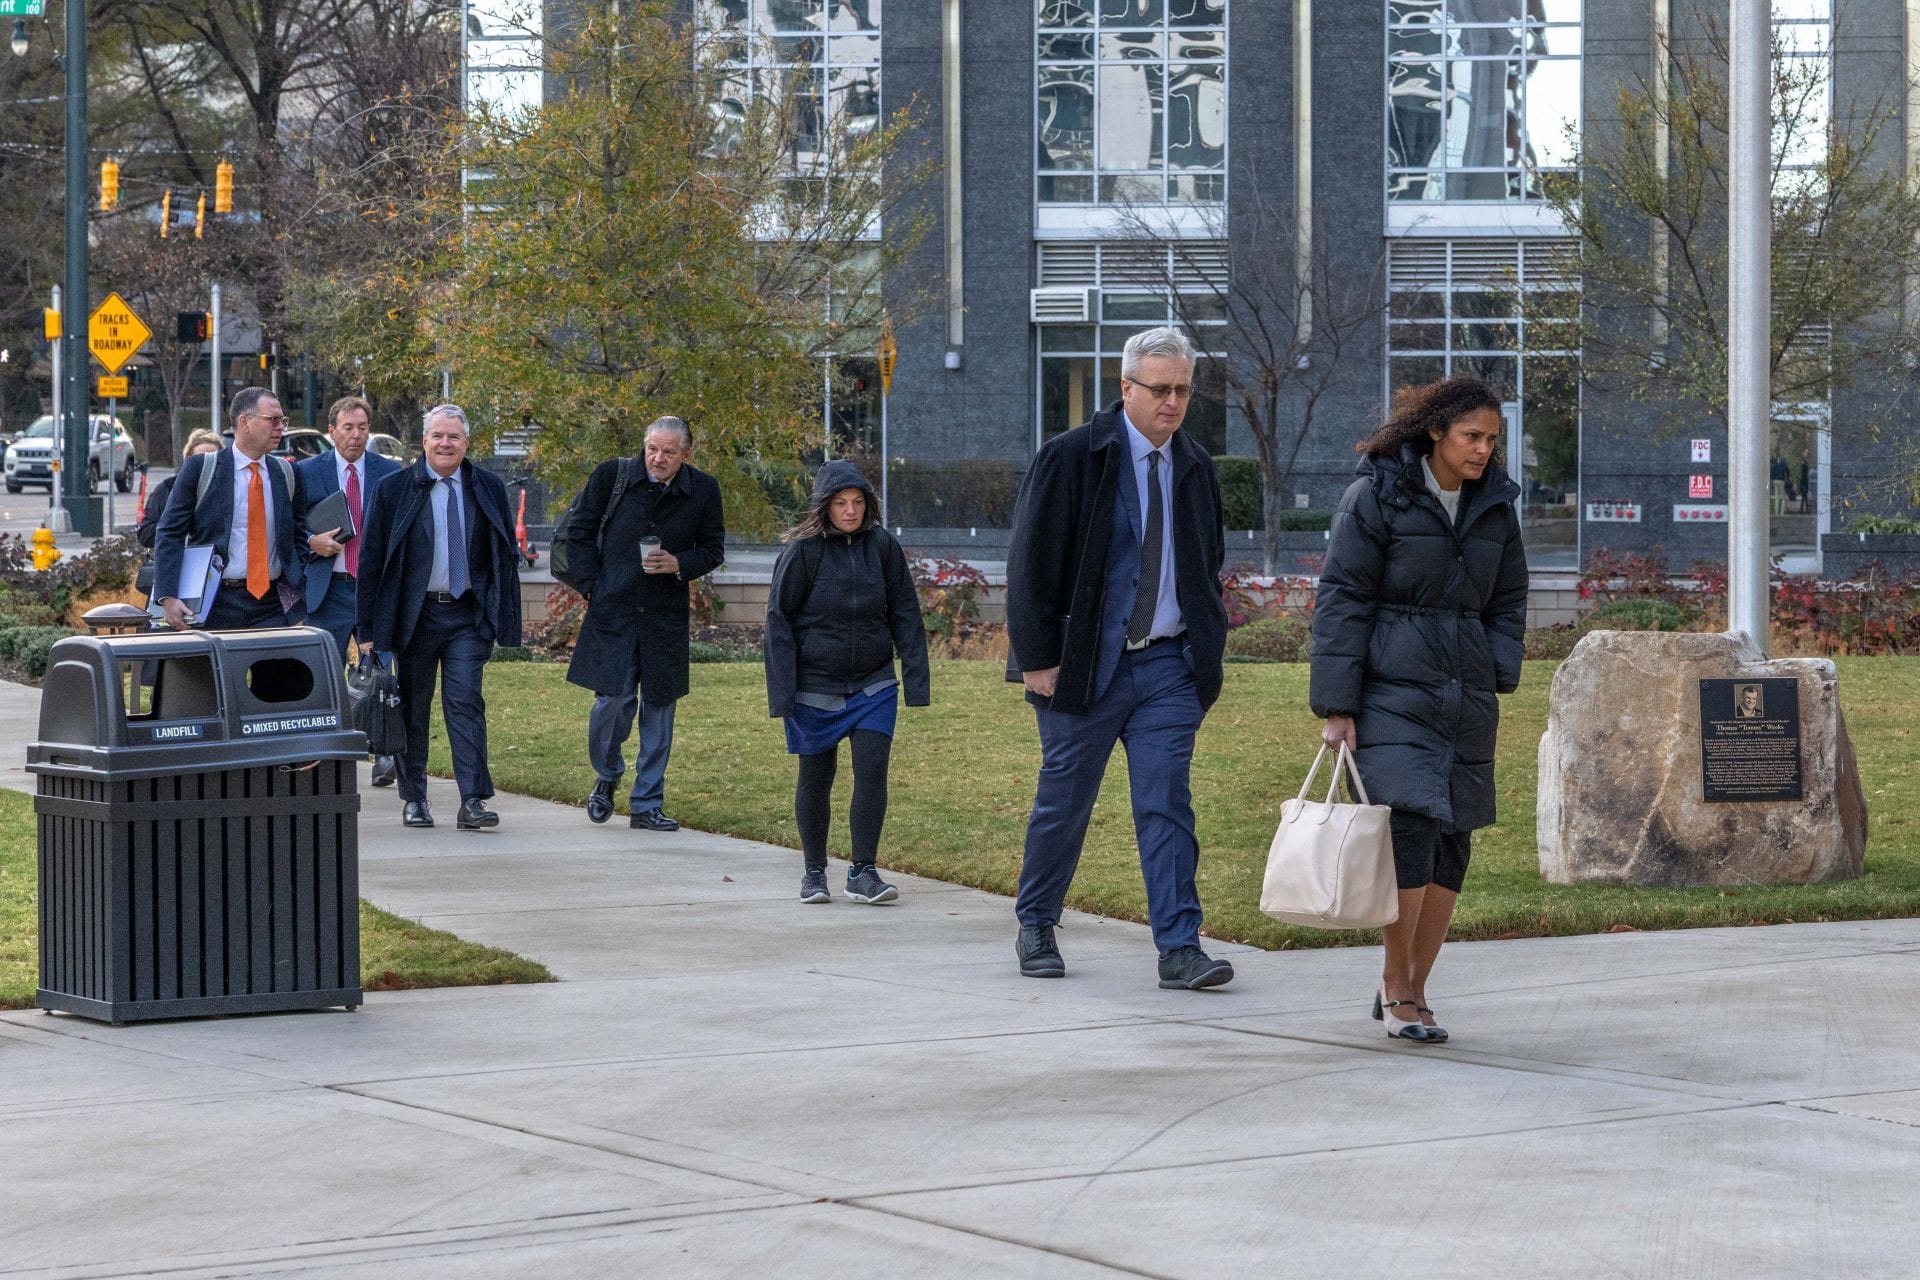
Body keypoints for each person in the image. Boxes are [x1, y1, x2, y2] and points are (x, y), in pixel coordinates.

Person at [1004, 326, 1234, 991]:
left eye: (1182, 390)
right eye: (1159, 389)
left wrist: (1202, 653)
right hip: (1081, 665)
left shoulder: (1194, 466)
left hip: (1168, 669)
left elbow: (1205, 561)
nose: (1172, 402)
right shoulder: (1072, 458)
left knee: (1166, 804)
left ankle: (1180, 948)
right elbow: (1029, 566)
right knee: (1065, 800)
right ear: (1125, 387)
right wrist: (1038, 658)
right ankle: (1037, 921)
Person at [1310, 374, 1527, 1045]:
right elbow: (1342, 597)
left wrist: (1493, 668)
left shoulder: (1495, 506)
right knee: (1408, 830)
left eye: (1493, 438)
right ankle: (1395, 984)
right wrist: (1337, 705)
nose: (1484, 450)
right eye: (1471, 436)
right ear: (1436, 430)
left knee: (1453, 840)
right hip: (1391, 694)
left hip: (1465, 698)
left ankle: (1419, 986)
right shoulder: (1376, 496)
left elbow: (1510, 600)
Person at [764, 460, 930, 904]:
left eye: (858, 502)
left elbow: (905, 614)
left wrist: (916, 681)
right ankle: (814, 872)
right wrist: (782, 693)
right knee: (816, 778)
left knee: (872, 773)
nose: (851, 511)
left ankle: (863, 870)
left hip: (874, 685)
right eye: (841, 503)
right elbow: (778, 622)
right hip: (813, 687)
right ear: (825, 507)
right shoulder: (802, 552)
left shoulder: (882, 547)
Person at [355, 404, 523, 831]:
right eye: (437, 436)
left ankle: (473, 800)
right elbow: (371, 562)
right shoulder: (395, 490)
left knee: (465, 703)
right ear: (424, 441)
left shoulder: (486, 486)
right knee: (412, 708)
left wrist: (501, 615)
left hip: (468, 615)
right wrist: (369, 630)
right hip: (416, 618)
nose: (445, 444)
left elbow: (503, 556)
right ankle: (415, 799)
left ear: (467, 444)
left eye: (454, 437)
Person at [558, 416, 726, 832]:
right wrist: (593, 586)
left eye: (669, 452)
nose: (658, 458)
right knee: (610, 703)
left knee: (660, 709)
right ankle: (608, 772)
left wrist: (679, 563)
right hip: (612, 611)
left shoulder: (704, 490)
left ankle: (648, 803)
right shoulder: (612, 476)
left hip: (664, 616)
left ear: (686, 455)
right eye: (652, 448)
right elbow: (577, 533)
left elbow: (713, 548)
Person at [300, 395, 405, 787]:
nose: (356, 436)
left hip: (374, 590)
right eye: (348, 428)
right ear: (332, 432)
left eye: (362, 428)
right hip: (329, 588)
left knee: (381, 671)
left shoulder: (388, 472)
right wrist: (312, 542)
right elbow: (293, 527)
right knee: (322, 672)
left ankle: (385, 754)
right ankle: (320, 753)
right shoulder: (308, 473)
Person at [154, 388, 308, 632]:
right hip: (216, 601)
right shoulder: (201, 469)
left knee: (283, 670)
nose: (281, 427)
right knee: (216, 671)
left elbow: (298, 534)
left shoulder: (288, 473)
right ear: (244, 422)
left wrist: (303, 588)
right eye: (273, 420)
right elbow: (169, 532)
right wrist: (167, 596)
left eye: (283, 420)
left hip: (272, 605)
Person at [136, 428, 222, 593]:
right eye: (199, 459)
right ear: (188, 461)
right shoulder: (167, 488)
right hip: (175, 574)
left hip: (217, 578)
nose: (205, 465)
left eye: (213, 459)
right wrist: (177, 526)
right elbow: (145, 534)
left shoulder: (227, 492)